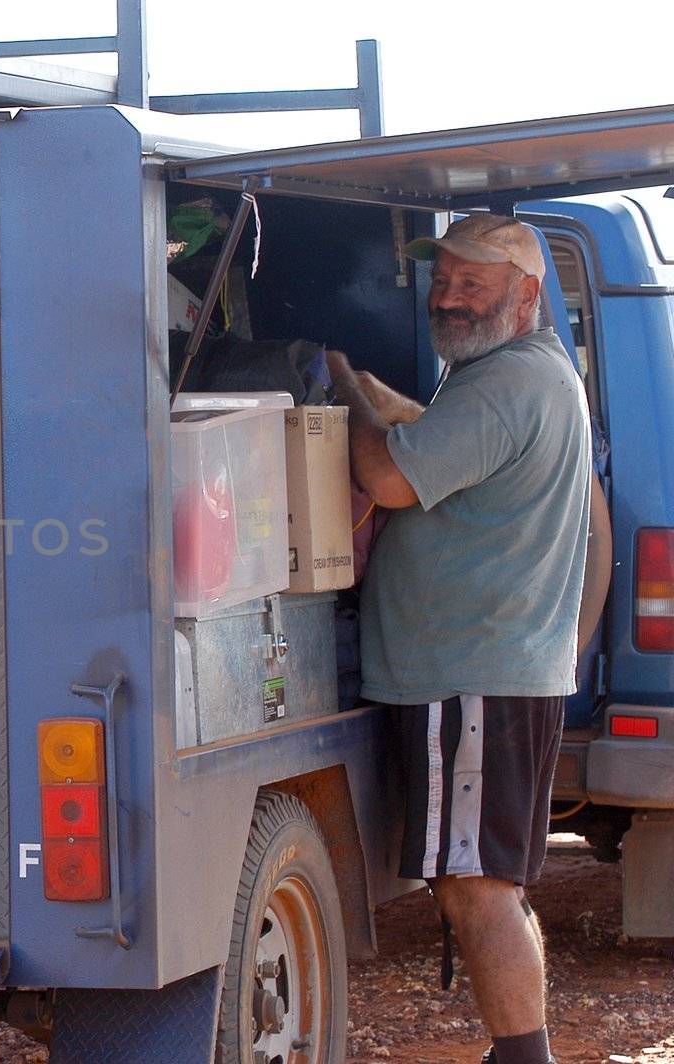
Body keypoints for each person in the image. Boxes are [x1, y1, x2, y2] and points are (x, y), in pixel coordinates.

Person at [326, 214, 590, 1064]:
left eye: (473, 282)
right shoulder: (519, 375)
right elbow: (434, 447)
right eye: (442, 278)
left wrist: (343, 389)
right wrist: (392, 409)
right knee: (484, 881)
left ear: (525, 293)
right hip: (487, 667)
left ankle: (524, 1057)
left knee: (476, 889)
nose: (449, 295)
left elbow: (391, 476)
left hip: (472, 673)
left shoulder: (509, 381)